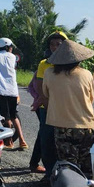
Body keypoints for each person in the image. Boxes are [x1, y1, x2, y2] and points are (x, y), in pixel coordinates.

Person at [42, 40, 94, 173]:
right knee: (87, 164)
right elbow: (91, 98)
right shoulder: (87, 74)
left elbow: (45, 94)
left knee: (68, 166)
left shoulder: (49, 73)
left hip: (62, 126)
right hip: (86, 125)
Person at [27, 31, 68, 175]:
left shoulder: (70, 63)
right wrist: (49, 105)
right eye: (52, 44)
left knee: (48, 136)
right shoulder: (44, 64)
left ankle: (35, 163)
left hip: (65, 107)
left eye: (58, 44)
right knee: (47, 138)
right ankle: (50, 172)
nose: (54, 47)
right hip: (47, 107)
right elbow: (40, 87)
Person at [0, 38, 28, 149]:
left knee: (6, 116)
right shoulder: (13, 56)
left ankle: (9, 142)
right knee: (14, 116)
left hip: (1, 89)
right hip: (13, 90)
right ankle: (22, 141)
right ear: (7, 47)